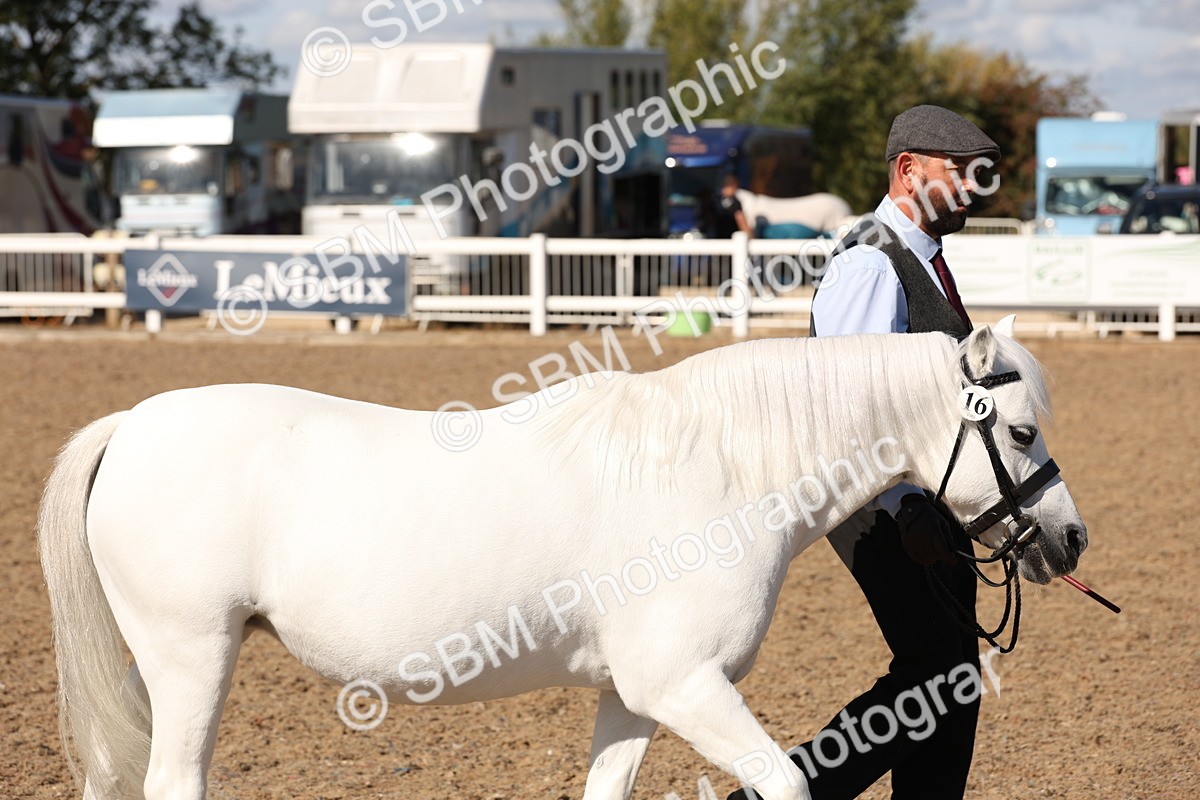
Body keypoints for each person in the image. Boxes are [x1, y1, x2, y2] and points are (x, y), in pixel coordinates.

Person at [727, 105, 1001, 800]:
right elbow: (848, 410)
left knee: (946, 678)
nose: (974, 187)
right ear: (909, 171)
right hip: (884, 512)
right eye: (960, 173)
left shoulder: (916, 259)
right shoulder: (873, 264)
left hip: (924, 510)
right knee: (935, 671)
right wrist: (902, 505)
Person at [713, 174, 753, 238]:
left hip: (718, 238)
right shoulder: (735, 202)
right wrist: (750, 237)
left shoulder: (715, 200)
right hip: (731, 239)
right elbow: (741, 219)